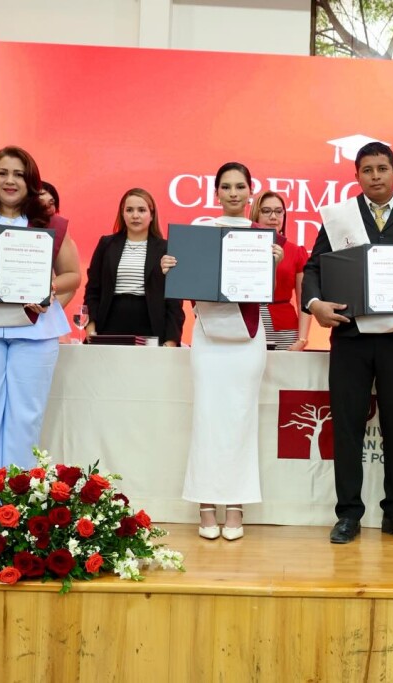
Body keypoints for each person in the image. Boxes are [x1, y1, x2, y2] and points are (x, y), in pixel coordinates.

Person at [303, 141, 393, 544]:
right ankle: (348, 514)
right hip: (349, 336)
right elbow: (314, 268)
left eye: (382, 168)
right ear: (357, 176)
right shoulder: (340, 217)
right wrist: (315, 304)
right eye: (367, 170)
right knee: (347, 427)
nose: (375, 176)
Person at [161, 162, 282, 540]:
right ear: (216, 192)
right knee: (208, 419)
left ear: (250, 192)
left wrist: (273, 263)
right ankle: (205, 504)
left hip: (248, 339)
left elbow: (273, 292)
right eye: (226, 187)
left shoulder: (264, 236)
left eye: (239, 186)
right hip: (208, 338)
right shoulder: (199, 232)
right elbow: (184, 281)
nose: (233, 193)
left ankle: (236, 505)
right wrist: (170, 267)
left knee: (242, 420)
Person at [0, 146, 81, 486]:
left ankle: (16, 501)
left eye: (19, 174)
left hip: (36, 332)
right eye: (3, 173)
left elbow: (73, 275)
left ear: (31, 181)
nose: (10, 181)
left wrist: (49, 287)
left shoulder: (51, 224)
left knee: (25, 419)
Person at [83, 189, 184, 346]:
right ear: (122, 214)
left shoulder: (167, 248)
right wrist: (90, 327)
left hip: (151, 325)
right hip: (109, 322)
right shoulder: (106, 244)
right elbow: (92, 291)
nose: (135, 215)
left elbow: (174, 302)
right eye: (129, 210)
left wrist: (171, 340)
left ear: (152, 215)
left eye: (141, 210)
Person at [249, 190, 312, 351]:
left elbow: (303, 300)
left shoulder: (296, 251)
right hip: (247, 325)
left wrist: (302, 339)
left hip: (284, 329)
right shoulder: (242, 247)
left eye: (278, 211)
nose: (273, 217)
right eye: (266, 211)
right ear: (256, 214)